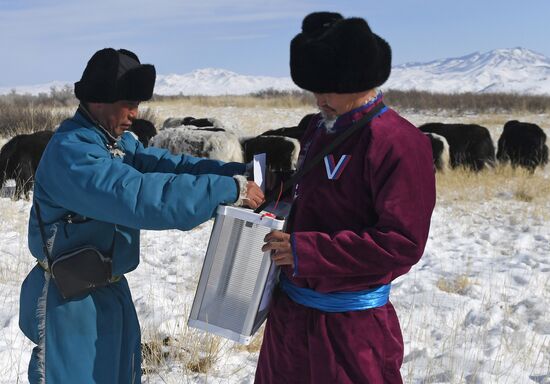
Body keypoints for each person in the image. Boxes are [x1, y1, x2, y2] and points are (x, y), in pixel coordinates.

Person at [18, 48, 264, 383]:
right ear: (99, 100)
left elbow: (168, 166)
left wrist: (236, 172)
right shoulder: (73, 153)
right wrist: (227, 190)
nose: (135, 113)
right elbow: (140, 197)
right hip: (70, 301)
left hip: (108, 290)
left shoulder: (112, 143)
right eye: (128, 103)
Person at [256, 12, 436, 383]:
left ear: (359, 80)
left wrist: (308, 251)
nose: (320, 99)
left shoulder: (398, 143)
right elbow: (311, 200)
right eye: (314, 88)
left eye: (330, 88)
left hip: (350, 332)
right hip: (289, 324)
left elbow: (403, 243)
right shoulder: (317, 131)